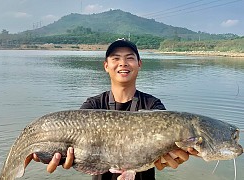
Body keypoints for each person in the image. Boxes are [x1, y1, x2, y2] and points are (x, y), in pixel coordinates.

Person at [25, 38, 197, 179]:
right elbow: (69, 143)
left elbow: (169, 152)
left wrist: (173, 157)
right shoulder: (92, 106)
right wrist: (52, 154)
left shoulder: (153, 106)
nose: (123, 63)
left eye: (130, 58)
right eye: (115, 58)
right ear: (106, 66)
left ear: (139, 64)